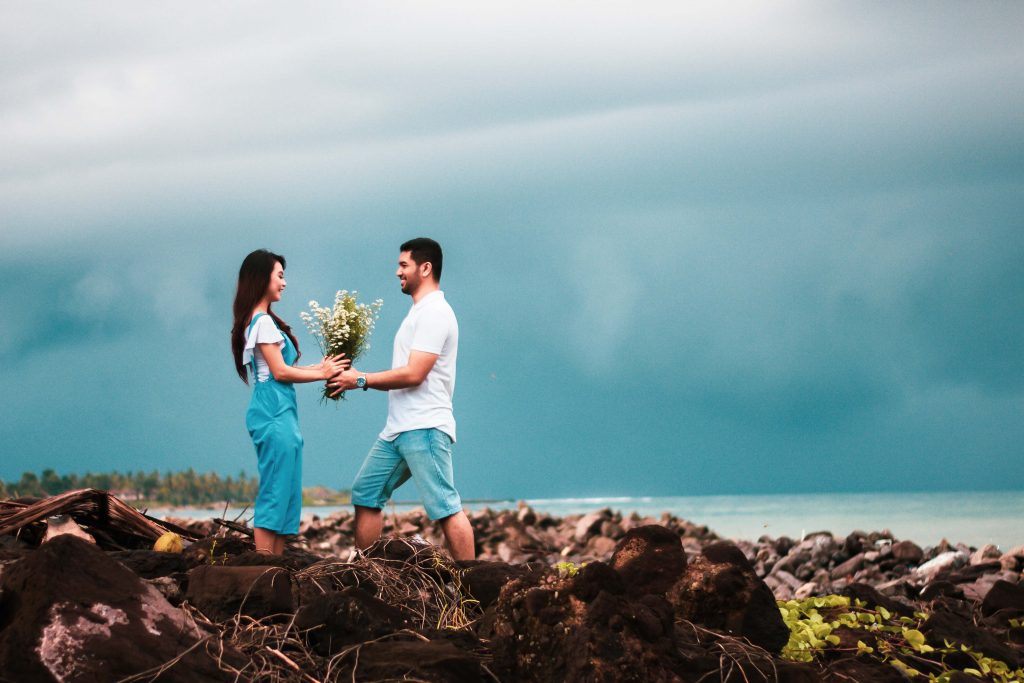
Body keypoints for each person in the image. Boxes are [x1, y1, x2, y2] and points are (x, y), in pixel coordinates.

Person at [329, 238, 475, 560]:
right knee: (366, 493)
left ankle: (472, 590)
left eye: (403, 265)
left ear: (426, 268)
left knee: (445, 507)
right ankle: (369, 573)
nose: (397, 272)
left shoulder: (436, 312)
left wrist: (361, 379)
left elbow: (414, 374)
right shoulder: (418, 312)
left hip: (424, 426)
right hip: (398, 430)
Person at [231, 249, 348, 554]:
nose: (284, 283)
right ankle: (263, 567)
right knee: (275, 491)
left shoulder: (262, 322)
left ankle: (275, 568)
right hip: (272, 414)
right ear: (261, 278)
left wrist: (323, 368)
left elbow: (282, 370)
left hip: (281, 414)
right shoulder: (262, 323)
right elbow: (281, 372)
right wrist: (322, 372)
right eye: (279, 275)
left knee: (286, 494)